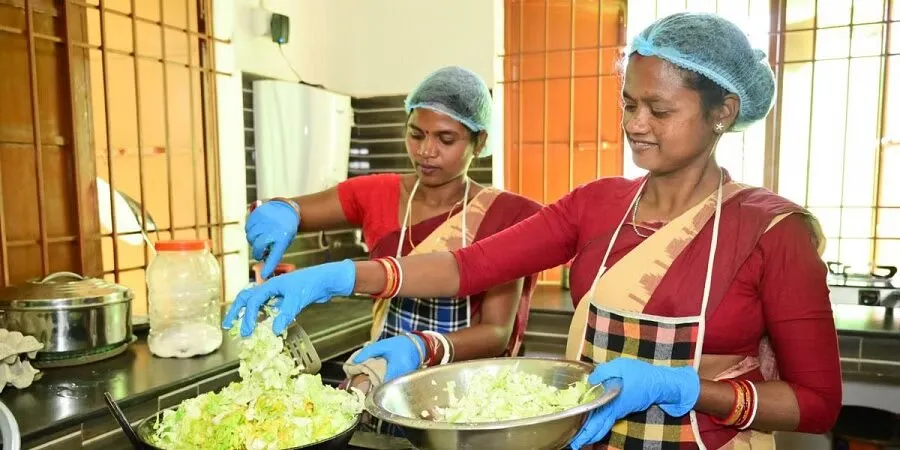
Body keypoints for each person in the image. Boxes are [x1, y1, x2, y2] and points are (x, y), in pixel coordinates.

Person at [225, 13, 842, 450]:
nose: (636, 124)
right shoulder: (596, 206)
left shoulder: (772, 231)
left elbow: (817, 405)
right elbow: (467, 268)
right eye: (628, 103)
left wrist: (685, 387)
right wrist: (337, 276)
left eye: (659, 109)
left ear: (723, 112)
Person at [232, 66, 542, 387]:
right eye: (416, 134)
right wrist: (282, 210)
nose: (425, 151)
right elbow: (298, 209)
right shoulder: (377, 194)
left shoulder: (503, 216)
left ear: (479, 143)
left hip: (460, 386)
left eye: (445, 139)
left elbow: (495, 332)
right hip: (383, 375)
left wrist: (423, 348)